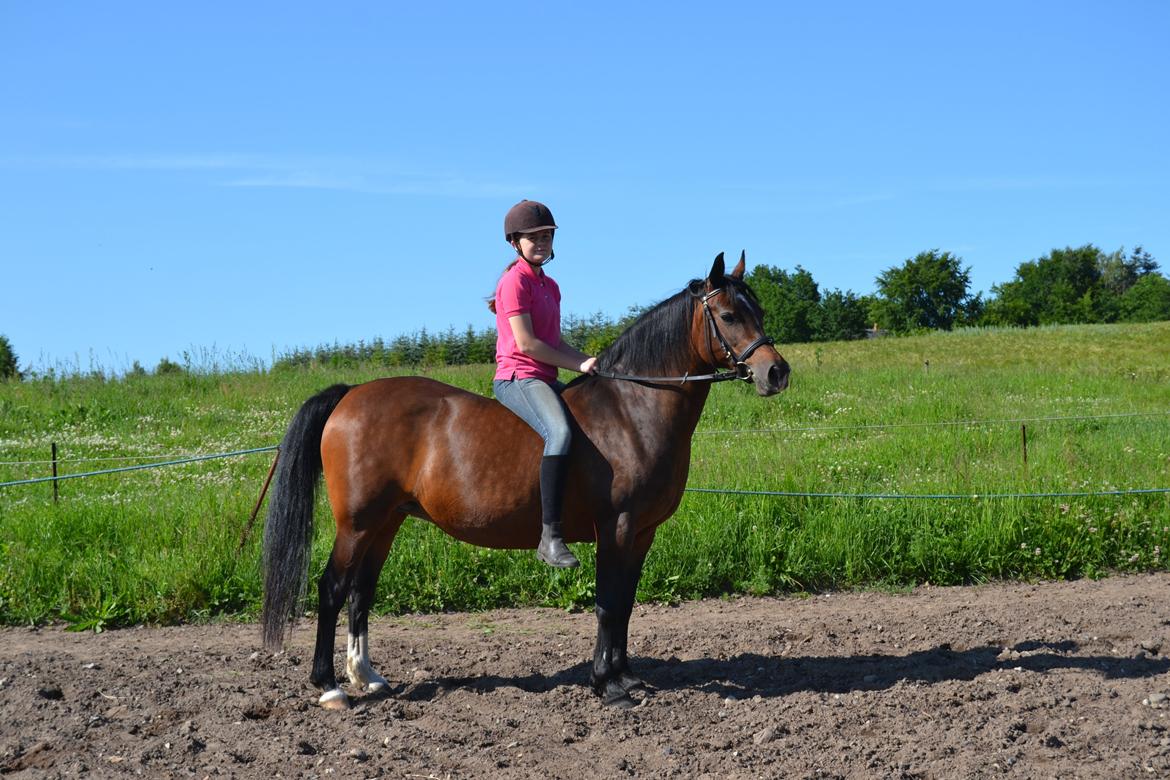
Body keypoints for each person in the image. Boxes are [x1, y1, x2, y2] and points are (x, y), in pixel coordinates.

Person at [489, 200, 597, 568]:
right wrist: (577, 362)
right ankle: (550, 537)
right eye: (532, 237)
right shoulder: (513, 282)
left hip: (546, 376)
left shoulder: (550, 285)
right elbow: (528, 344)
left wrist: (588, 361)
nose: (541, 242)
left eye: (547, 236)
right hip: (518, 376)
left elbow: (556, 343)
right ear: (515, 243)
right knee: (560, 433)